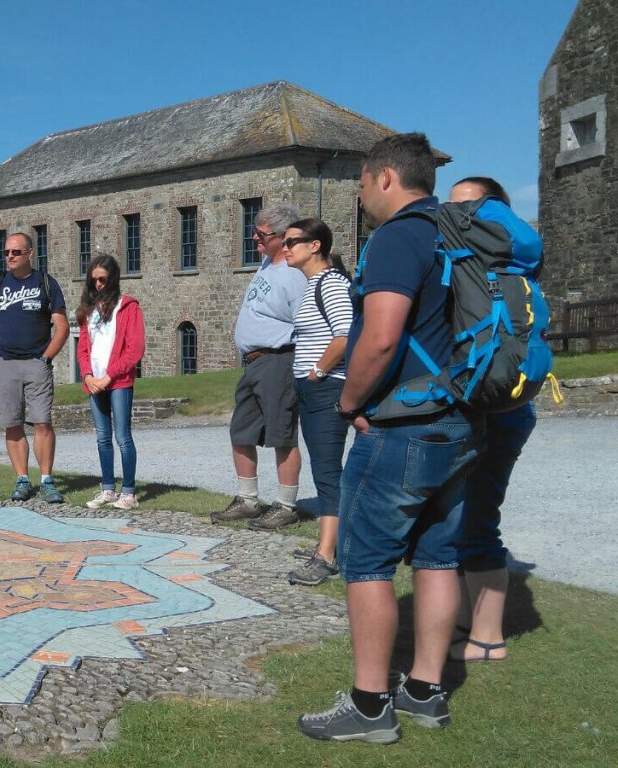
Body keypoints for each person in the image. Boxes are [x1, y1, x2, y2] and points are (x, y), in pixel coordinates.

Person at [297, 133, 481, 744]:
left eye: (359, 182)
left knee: (366, 563)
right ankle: (426, 691)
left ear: (382, 178)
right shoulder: (459, 233)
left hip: (403, 425)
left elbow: (378, 337)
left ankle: (370, 704)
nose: (358, 194)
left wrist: (350, 401)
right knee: (438, 556)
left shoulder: (397, 237)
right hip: (461, 419)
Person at [448, 176, 535, 664]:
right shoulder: (511, 265)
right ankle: (467, 619)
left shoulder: (486, 265)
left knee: (478, 517)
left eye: (468, 206)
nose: (457, 215)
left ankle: (486, 639)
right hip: (511, 405)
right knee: (469, 515)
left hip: (495, 407)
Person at [211, 202, 307, 527]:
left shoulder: (295, 276)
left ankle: (286, 505)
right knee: (241, 430)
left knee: (282, 435)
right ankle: (248, 500)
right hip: (252, 363)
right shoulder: (267, 264)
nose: (255, 239)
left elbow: (305, 325)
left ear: (284, 237)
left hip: (278, 360)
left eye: (262, 234)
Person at [0, 230, 69, 503]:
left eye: (16, 252)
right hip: (4, 362)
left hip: (36, 362)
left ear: (30, 253)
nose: (9, 256)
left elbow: (62, 327)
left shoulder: (46, 282)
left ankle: (46, 480)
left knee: (42, 422)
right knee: (12, 424)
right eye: (6, 252)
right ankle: (22, 480)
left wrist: (46, 358)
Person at [276, 219, 353, 586]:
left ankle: (326, 556)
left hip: (327, 388)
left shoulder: (331, 283)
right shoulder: (313, 285)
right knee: (324, 469)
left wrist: (319, 371)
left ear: (316, 245)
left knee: (326, 471)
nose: (285, 247)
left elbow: (345, 334)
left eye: (293, 241)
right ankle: (327, 544)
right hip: (312, 388)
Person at [75, 255, 145, 511]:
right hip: (95, 383)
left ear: (113, 278)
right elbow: (83, 349)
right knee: (102, 437)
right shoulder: (89, 311)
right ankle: (108, 489)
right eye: (93, 280)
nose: (98, 285)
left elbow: (134, 349)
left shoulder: (128, 307)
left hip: (118, 382)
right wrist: (87, 376)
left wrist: (109, 376)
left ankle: (129, 492)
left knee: (122, 437)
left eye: (102, 279)